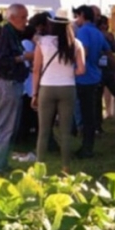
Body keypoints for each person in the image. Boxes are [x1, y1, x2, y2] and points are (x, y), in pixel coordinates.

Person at [31, 13, 85, 173]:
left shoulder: (42, 42)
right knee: (65, 131)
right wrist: (68, 73)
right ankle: (65, 168)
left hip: (46, 87)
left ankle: (40, 169)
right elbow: (82, 69)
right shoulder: (75, 44)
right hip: (67, 88)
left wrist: (34, 93)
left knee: (43, 131)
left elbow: (36, 70)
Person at [0, 3, 31, 176]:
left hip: (12, 83)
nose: (26, 21)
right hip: (6, 83)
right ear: (12, 18)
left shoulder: (13, 34)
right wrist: (23, 58)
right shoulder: (5, 35)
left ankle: (1, 163)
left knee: (10, 126)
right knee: (3, 126)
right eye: (23, 17)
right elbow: (0, 61)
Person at [72, 5, 111, 158]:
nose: (77, 20)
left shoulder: (83, 31)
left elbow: (84, 51)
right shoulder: (97, 32)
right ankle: (88, 144)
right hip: (95, 75)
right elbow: (107, 50)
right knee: (91, 113)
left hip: (83, 77)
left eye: (78, 16)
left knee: (85, 113)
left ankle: (86, 147)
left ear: (82, 15)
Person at [16, 12, 50, 145]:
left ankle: (26, 135)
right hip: (29, 84)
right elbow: (30, 61)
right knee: (28, 111)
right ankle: (25, 136)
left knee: (27, 112)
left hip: (29, 83)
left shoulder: (26, 43)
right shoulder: (27, 43)